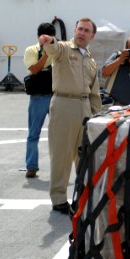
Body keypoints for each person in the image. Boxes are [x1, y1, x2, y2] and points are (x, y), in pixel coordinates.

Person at [40, 17, 101, 215]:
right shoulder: (65, 49)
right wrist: (49, 41)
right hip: (64, 104)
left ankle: (82, 195)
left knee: (84, 155)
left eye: (86, 30)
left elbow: (94, 92)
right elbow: (54, 49)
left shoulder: (90, 58)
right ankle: (58, 198)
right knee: (61, 154)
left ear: (93, 35)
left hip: (84, 107)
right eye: (79, 29)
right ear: (75, 30)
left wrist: (97, 116)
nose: (82, 33)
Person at [23, 22, 56, 178]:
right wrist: (46, 54)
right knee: (34, 132)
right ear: (38, 37)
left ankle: (59, 166)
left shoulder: (59, 49)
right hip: (38, 97)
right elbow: (34, 70)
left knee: (59, 133)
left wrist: (52, 47)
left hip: (57, 95)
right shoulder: (31, 50)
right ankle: (31, 166)